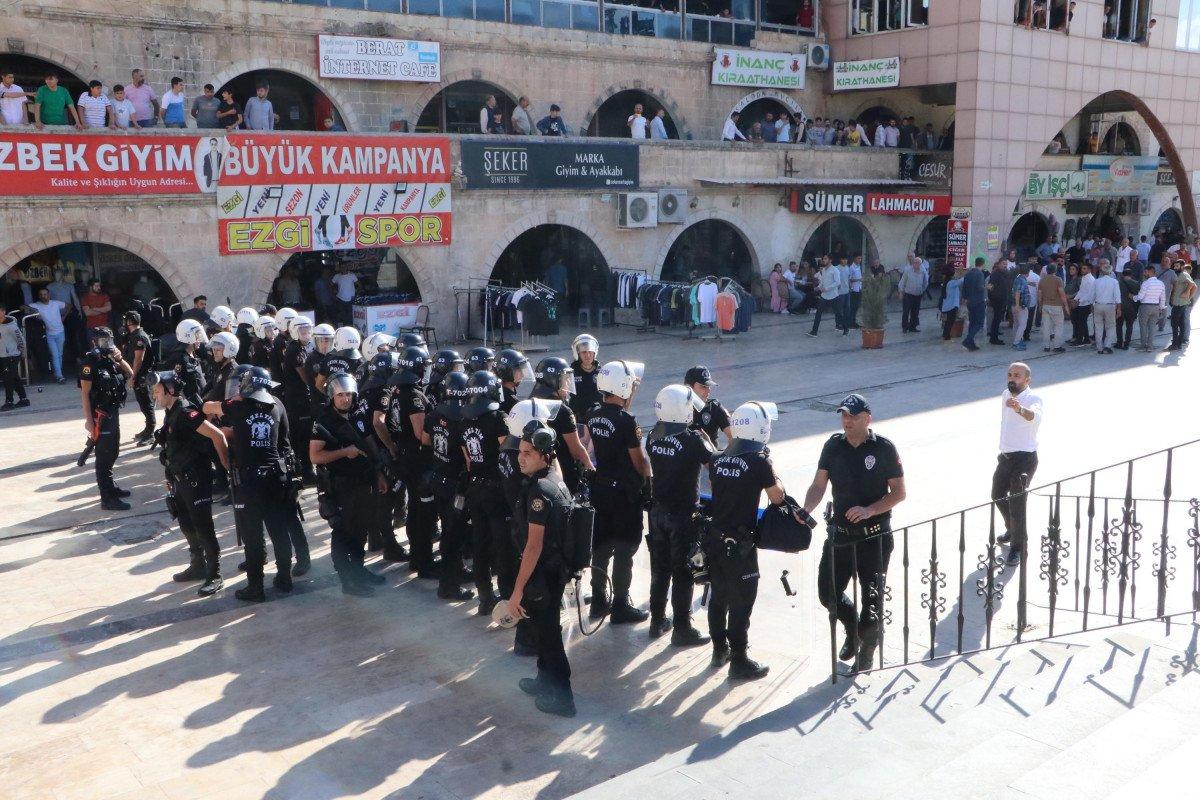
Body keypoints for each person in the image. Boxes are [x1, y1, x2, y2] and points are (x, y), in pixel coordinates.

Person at [802, 393, 906, 672]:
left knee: (872, 598)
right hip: (841, 535)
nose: (846, 421)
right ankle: (852, 629)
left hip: (874, 536)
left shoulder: (883, 448)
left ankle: (868, 649)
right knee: (828, 594)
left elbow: (898, 493)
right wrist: (806, 509)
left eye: (853, 416)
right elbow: (818, 486)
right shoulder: (833, 446)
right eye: (844, 416)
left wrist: (870, 510)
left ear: (867, 419)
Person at [705, 401, 795, 680]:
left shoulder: (718, 458)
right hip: (739, 545)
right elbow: (777, 496)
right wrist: (773, 470)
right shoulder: (758, 462)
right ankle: (739, 658)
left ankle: (719, 649)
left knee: (718, 596)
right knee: (743, 600)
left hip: (715, 539)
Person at [507, 420, 577, 717]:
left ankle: (563, 699)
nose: (520, 457)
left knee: (548, 637)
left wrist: (517, 591)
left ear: (545, 456)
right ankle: (543, 679)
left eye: (528, 453)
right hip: (552, 569)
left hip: (543, 575)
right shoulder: (553, 478)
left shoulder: (539, 492)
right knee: (542, 630)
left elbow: (534, 547)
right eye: (520, 451)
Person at [209, 366, 297, 601]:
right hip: (276, 477)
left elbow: (208, 407)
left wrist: (234, 405)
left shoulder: (237, 406)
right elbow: (285, 442)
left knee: (253, 536)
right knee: (279, 531)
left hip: (250, 481)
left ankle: (256, 587)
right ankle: (284, 578)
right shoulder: (277, 404)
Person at [149, 370, 229, 596]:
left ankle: (215, 574)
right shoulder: (171, 412)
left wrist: (226, 466)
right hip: (179, 481)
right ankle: (198, 565)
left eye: (157, 391)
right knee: (186, 524)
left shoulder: (186, 412)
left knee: (204, 528)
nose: (154, 395)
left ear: (170, 390)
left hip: (197, 480)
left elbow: (218, 436)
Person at [311, 372, 392, 596]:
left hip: (363, 482)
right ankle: (347, 580)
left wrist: (379, 473)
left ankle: (358, 570)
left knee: (361, 529)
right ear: (332, 396)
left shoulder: (358, 414)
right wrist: (343, 452)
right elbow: (315, 456)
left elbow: (369, 442)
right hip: (340, 486)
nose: (345, 399)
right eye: (340, 395)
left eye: (348, 394)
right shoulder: (323, 421)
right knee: (343, 533)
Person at [646, 385, 713, 645]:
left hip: (657, 512)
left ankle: (657, 621)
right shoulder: (691, 439)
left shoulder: (652, 435)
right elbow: (713, 463)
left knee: (659, 570)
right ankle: (682, 628)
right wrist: (706, 440)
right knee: (683, 572)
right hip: (683, 514)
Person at [586, 360, 651, 624]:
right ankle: (621, 603)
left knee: (600, 546)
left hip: (599, 489)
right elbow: (638, 459)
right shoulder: (627, 421)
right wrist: (647, 478)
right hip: (624, 494)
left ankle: (598, 600)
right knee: (625, 549)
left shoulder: (592, 413)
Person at [459, 367, 514, 610]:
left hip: (475, 487)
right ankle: (506, 594)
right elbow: (507, 452)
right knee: (503, 545)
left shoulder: (463, 420)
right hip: (496, 489)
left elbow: (468, 460)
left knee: (480, 542)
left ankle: (484, 596)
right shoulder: (497, 418)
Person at [992, 364, 1041, 566]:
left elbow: (1033, 416)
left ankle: (1018, 548)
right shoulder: (1006, 394)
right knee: (997, 495)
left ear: (1027, 380)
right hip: (1005, 456)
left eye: (1017, 376)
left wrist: (1019, 408)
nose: (1012, 378)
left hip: (1024, 458)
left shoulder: (1034, 399)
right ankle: (1013, 529)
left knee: (1017, 503)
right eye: (1010, 374)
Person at [79, 327, 133, 510]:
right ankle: (106, 498)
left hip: (113, 411)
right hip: (100, 414)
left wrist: (119, 358)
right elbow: (85, 394)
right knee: (103, 455)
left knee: (114, 450)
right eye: (102, 341)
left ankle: (111, 486)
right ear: (94, 342)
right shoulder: (90, 363)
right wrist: (89, 420)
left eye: (109, 341)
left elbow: (131, 374)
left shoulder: (110, 359)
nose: (106, 345)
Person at [121, 310, 157, 443]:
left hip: (142, 375)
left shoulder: (139, 337)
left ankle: (151, 432)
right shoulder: (133, 335)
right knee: (143, 403)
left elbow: (138, 359)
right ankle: (148, 428)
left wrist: (133, 376)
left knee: (146, 403)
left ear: (130, 322)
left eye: (126, 321)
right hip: (138, 374)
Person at [25, 286, 68, 382]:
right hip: (49, 334)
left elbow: (69, 305)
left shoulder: (56, 303)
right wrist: (34, 313)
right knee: (55, 355)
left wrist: (64, 316)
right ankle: (60, 376)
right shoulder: (37, 305)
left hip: (60, 332)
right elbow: (23, 307)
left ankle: (58, 373)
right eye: (41, 295)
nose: (43, 296)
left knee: (60, 354)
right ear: (39, 296)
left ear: (49, 295)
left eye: (45, 294)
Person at [684, 365, 731, 446]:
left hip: (710, 457)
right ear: (689, 387)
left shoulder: (714, 407)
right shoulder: (677, 408)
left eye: (709, 386)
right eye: (703, 386)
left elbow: (733, 437)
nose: (708, 390)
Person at [807, 257, 844, 337]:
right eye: (823, 259)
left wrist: (826, 288)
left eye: (826, 259)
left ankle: (845, 328)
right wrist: (818, 287)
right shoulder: (823, 270)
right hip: (824, 296)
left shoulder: (835, 270)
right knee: (818, 313)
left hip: (833, 296)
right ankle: (814, 332)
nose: (824, 260)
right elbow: (823, 282)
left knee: (839, 313)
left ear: (830, 260)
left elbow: (837, 282)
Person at [1133, 264, 1166, 351]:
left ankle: (1143, 345)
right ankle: (1150, 346)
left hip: (1145, 307)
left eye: (1145, 272)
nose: (1144, 273)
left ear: (1149, 272)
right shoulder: (1161, 283)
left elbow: (1140, 297)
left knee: (1143, 326)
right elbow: (1162, 298)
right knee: (1152, 327)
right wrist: (1161, 308)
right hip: (1156, 307)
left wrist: (1133, 297)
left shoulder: (1146, 283)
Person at [0, 310, 29, 410]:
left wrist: (23, 354)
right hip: (2, 356)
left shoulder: (11, 326)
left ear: (3, 312)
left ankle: (9, 401)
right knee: (14, 377)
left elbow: (20, 339)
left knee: (8, 379)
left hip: (11, 356)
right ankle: (24, 399)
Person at [1037, 263, 1068, 352]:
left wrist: (1040, 305)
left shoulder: (1042, 280)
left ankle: (1046, 346)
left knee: (1046, 326)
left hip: (1045, 305)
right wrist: (1066, 306)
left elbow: (1039, 294)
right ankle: (1057, 346)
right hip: (1056, 305)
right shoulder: (1058, 280)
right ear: (1055, 270)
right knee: (1058, 326)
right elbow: (1062, 294)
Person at [1092, 262, 1121, 354]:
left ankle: (1099, 347)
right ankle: (1107, 346)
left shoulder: (1096, 281)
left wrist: (1092, 306)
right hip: (1109, 306)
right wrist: (1119, 308)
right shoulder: (1114, 282)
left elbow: (1092, 295)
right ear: (1110, 271)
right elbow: (1117, 296)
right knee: (1110, 326)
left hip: (1098, 305)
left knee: (1098, 326)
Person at [1167, 261, 1196, 351]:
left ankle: (1175, 344)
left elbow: (1193, 286)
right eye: (1174, 266)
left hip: (1180, 303)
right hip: (1180, 302)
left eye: (1177, 266)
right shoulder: (1181, 274)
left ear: (1182, 266)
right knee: (1181, 323)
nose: (1175, 267)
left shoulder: (1183, 274)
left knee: (1175, 323)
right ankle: (1178, 344)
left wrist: (1187, 293)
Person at [962, 257, 988, 351]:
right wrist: (986, 287)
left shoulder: (968, 273)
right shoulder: (980, 274)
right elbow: (979, 288)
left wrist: (965, 298)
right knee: (979, 322)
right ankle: (968, 339)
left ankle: (971, 343)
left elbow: (964, 287)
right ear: (983, 264)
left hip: (970, 301)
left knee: (972, 322)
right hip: (978, 301)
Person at [986, 260, 1011, 345]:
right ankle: (993, 338)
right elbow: (989, 287)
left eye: (1006, 264)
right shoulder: (995, 274)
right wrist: (993, 297)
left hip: (1002, 301)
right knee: (996, 320)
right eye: (1003, 264)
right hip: (997, 301)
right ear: (999, 265)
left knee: (997, 320)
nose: (1005, 266)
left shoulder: (1004, 274)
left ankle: (994, 337)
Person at [898, 257, 925, 333]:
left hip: (918, 295)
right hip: (908, 294)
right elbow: (902, 282)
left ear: (920, 264)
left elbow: (925, 282)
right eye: (915, 263)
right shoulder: (908, 271)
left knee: (915, 312)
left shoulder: (923, 271)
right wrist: (901, 292)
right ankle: (905, 327)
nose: (916, 264)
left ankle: (913, 327)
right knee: (906, 311)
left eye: (918, 263)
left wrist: (922, 290)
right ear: (913, 263)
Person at [940, 267, 964, 340]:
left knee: (948, 321)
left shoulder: (946, 282)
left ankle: (945, 335)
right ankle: (946, 336)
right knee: (950, 321)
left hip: (949, 304)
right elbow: (961, 280)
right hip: (952, 305)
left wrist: (960, 273)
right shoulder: (952, 283)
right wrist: (966, 273)